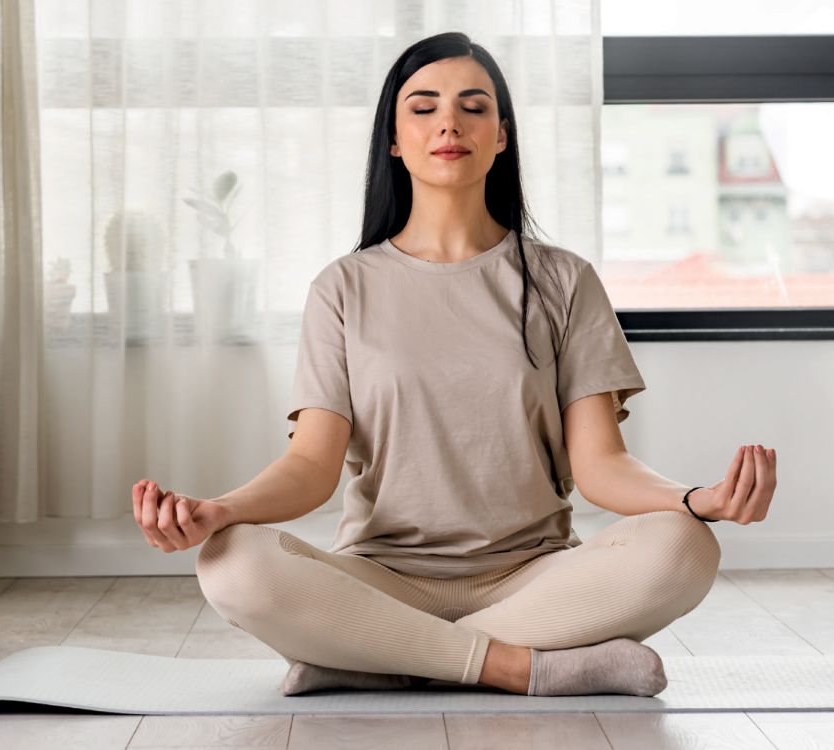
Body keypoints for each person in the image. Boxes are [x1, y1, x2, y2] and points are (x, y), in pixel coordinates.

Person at [131, 31, 778, 698]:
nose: (449, 122)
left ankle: (372, 657)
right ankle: (523, 668)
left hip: (535, 577)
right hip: (381, 577)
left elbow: (600, 467)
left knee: (687, 546)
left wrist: (696, 501)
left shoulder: (563, 280)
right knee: (232, 562)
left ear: (502, 135)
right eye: (423, 107)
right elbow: (309, 468)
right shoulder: (343, 287)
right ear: (393, 138)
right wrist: (217, 511)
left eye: (473, 106)